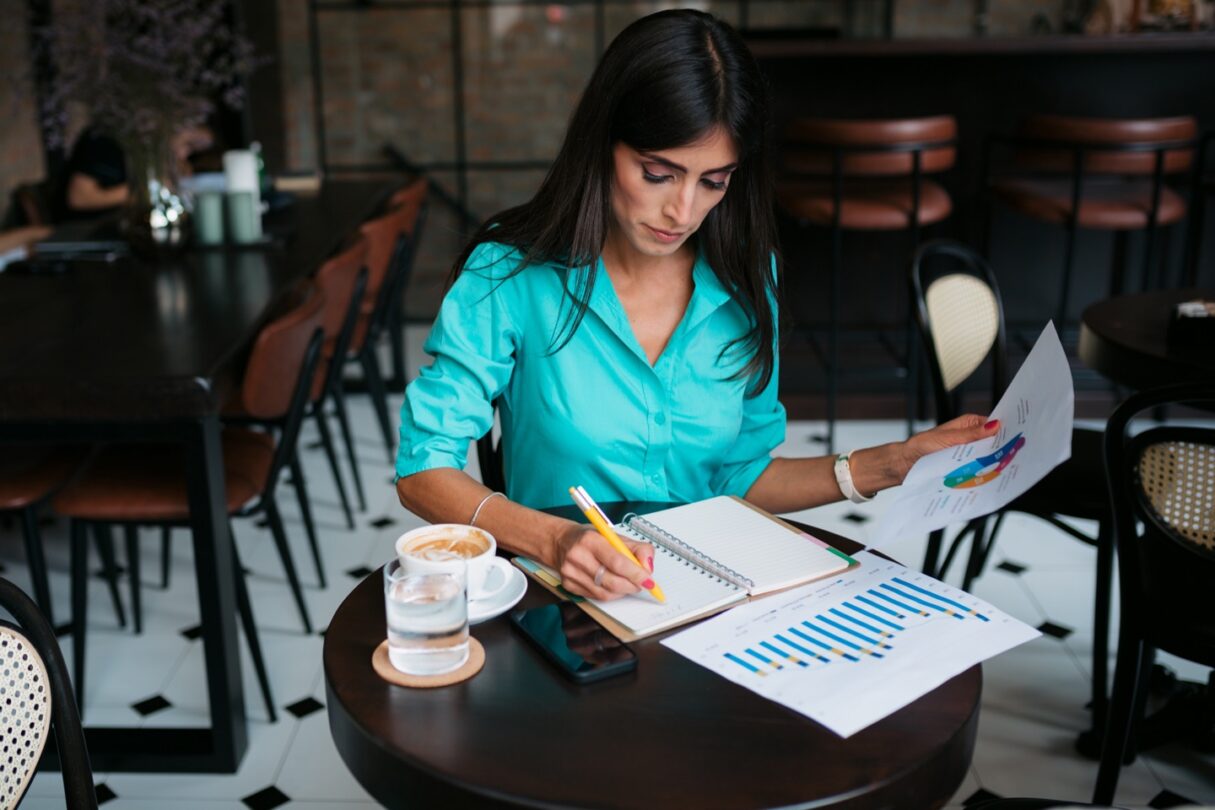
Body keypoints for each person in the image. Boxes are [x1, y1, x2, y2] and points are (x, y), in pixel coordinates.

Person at [395, 9, 997, 602]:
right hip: (565, 598)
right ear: (603, 146)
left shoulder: (745, 278)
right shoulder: (511, 272)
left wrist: (893, 464)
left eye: (713, 181)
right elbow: (423, 470)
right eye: (658, 173)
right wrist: (552, 540)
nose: (682, 212)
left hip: (704, 598)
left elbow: (742, 477)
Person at [57, 125, 214, 221]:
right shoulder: (105, 140)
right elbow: (79, 198)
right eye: (188, 144)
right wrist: (151, 187)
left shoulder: (163, 153)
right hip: (84, 230)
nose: (185, 155)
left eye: (193, 151)